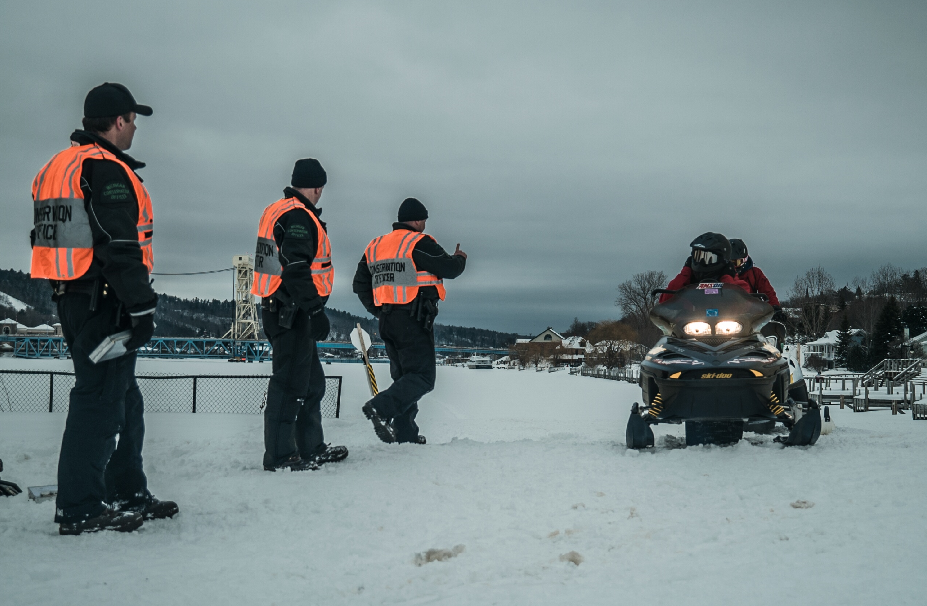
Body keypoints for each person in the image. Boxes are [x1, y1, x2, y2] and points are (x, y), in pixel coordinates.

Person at [30, 82, 177, 535]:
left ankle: (126, 487)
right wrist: (140, 307)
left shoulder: (55, 167)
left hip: (71, 298)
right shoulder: (105, 169)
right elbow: (118, 243)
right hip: (104, 303)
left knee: (124, 399)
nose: (135, 129)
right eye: (133, 120)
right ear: (118, 121)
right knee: (98, 403)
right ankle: (80, 506)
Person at [252, 158, 348, 471]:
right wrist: (316, 309)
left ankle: (310, 447)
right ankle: (280, 456)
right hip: (291, 312)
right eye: (321, 188)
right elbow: (295, 268)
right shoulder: (297, 216)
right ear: (317, 186)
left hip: (281, 309)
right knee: (289, 385)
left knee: (311, 383)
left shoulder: (276, 210)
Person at [353, 198, 467, 444]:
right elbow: (450, 268)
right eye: (424, 219)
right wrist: (460, 258)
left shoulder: (376, 246)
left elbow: (359, 284)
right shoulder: (418, 242)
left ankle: (405, 435)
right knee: (423, 377)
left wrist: (382, 310)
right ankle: (380, 408)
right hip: (413, 321)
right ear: (417, 220)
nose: (425, 223)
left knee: (404, 378)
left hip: (388, 321)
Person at [659, 232, 750, 303]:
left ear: (722, 260)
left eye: (708, 258)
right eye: (698, 256)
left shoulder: (738, 285)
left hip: (727, 323)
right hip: (690, 323)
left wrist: (727, 278)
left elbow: (743, 304)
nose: (701, 262)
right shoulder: (686, 283)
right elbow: (665, 301)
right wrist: (685, 273)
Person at [729, 238, 781, 308]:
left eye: (737, 263)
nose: (733, 267)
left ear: (744, 260)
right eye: (730, 263)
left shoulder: (754, 273)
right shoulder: (720, 274)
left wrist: (775, 307)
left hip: (749, 312)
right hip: (723, 312)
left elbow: (768, 292)